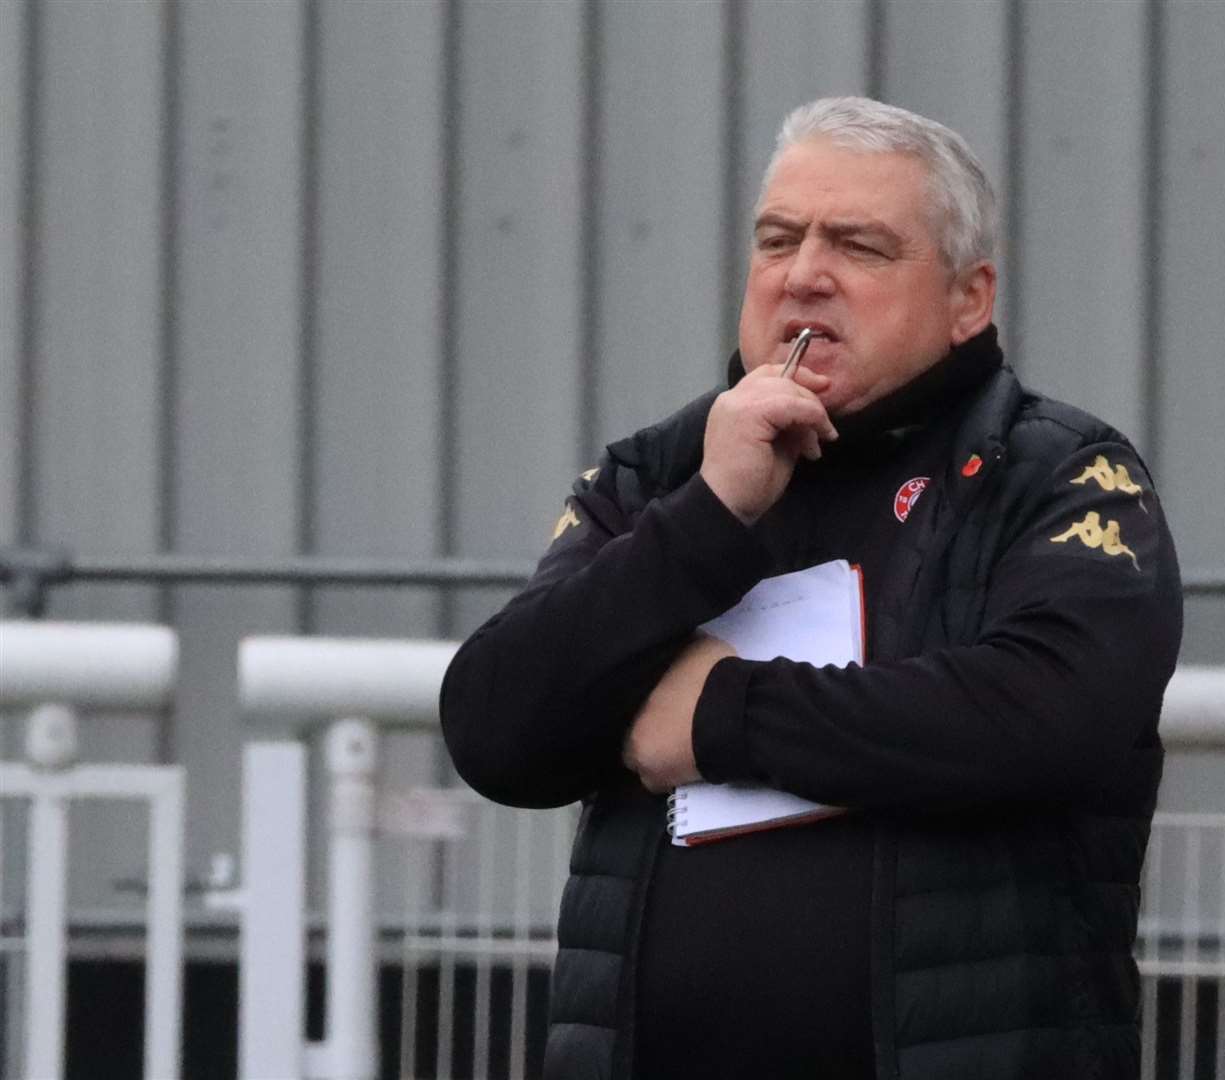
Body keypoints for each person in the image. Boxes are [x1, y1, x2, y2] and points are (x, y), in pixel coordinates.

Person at [441, 96, 1182, 1080]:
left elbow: (1044, 716)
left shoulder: (1057, 473)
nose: (802, 275)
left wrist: (720, 718)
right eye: (776, 239)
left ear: (968, 298)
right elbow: (496, 729)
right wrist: (707, 517)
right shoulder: (657, 477)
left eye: (860, 247)